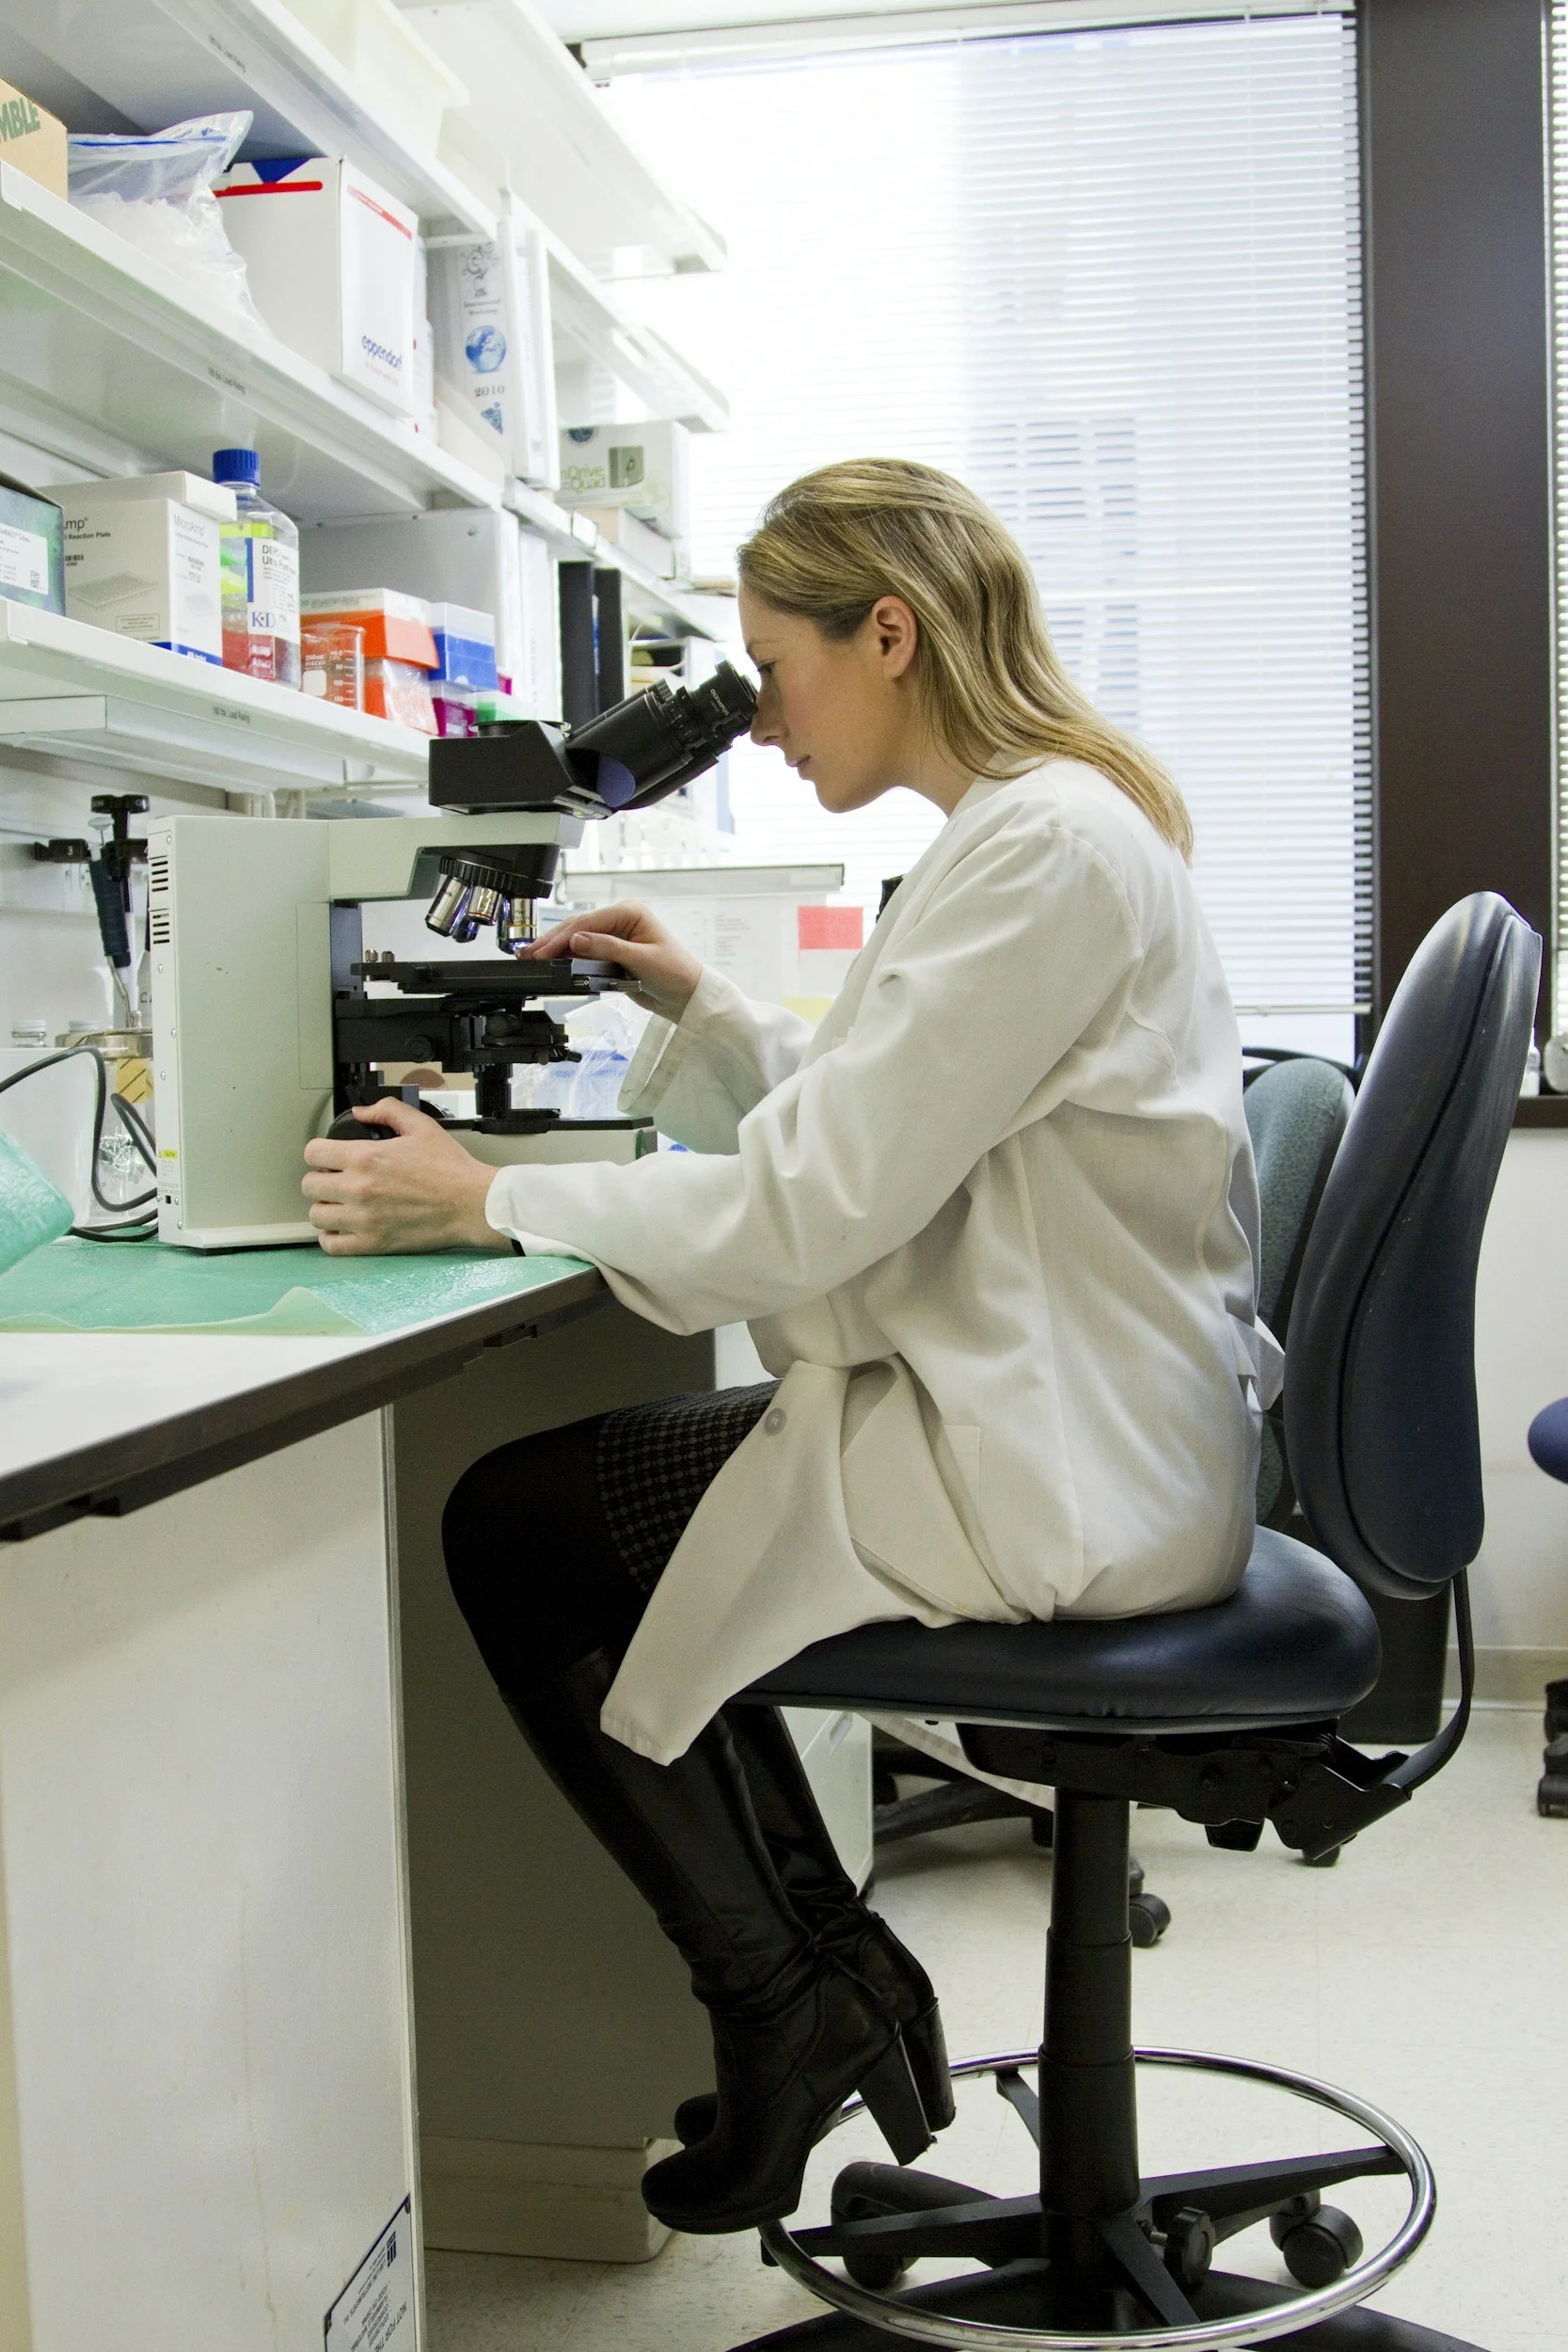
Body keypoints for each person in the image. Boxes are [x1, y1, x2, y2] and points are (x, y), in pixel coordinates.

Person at [300, 458, 1276, 2237]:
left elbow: (813, 1211)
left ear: (885, 634)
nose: (757, 724)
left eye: (775, 668)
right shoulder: (1032, 833)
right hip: (1049, 1414)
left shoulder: (1040, 849)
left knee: (519, 1532)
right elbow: (894, 1124)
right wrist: (714, 1008)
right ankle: (813, 1976)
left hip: (1047, 1459)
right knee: (612, 1535)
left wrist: (489, 1195)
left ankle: (787, 1993)